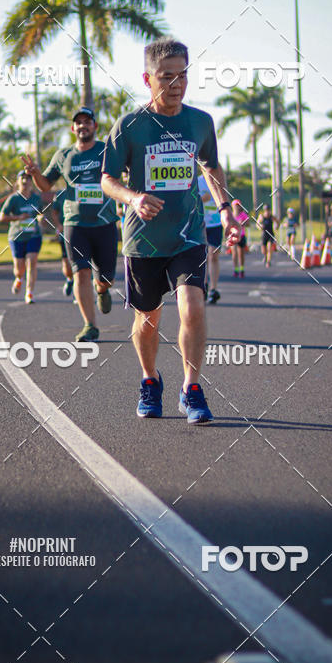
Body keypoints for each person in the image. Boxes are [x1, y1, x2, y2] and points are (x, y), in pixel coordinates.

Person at [101, 37, 240, 424]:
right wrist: (132, 198)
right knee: (148, 320)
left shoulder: (200, 122)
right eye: (166, 76)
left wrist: (226, 210)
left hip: (189, 234)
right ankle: (150, 380)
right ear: (148, 79)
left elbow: (211, 167)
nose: (176, 84)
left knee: (192, 307)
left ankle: (191, 388)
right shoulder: (130, 126)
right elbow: (107, 179)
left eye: (182, 75)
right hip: (143, 239)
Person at [22, 107, 118, 342]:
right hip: (74, 223)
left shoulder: (107, 150)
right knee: (81, 273)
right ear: (73, 128)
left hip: (105, 222)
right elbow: (45, 186)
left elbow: (124, 173)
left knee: (105, 277)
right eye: (79, 123)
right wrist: (35, 173)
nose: (83, 126)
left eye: (88, 122)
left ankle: (102, 288)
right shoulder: (63, 155)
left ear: (95, 126)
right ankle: (90, 325)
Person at [0, 170, 45, 304]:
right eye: (22, 178)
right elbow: (1, 217)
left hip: (34, 235)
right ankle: (19, 278)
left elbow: (41, 213)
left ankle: (29, 293)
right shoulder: (13, 199)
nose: (25, 181)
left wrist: (41, 218)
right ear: (18, 182)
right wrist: (18, 217)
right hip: (17, 236)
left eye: (28, 178)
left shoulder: (36, 198)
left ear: (32, 182)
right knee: (19, 269)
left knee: (32, 262)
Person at [198, 171, 222, 303]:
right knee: (203, 256)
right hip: (201, 223)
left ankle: (214, 288)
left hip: (216, 223)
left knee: (213, 255)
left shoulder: (217, 179)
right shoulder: (197, 180)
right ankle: (204, 285)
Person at [50, 191, 73, 296]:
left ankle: (79, 292)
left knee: (82, 264)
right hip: (64, 232)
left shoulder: (83, 188)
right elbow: (54, 212)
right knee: (67, 265)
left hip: (80, 230)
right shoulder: (59, 194)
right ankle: (69, 279)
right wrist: (59, 225)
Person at [230, 199, 249, 278]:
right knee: (234, 253)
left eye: (238, 205)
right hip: (233, 235)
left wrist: (243, 223)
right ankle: (236, 269)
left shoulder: (243, 214)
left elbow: (248, 224)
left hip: (241, 235)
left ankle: (242, 269)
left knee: (241, 253)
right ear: (232, 206)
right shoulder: (230, 214)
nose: (237, 207)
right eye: (235, 205)